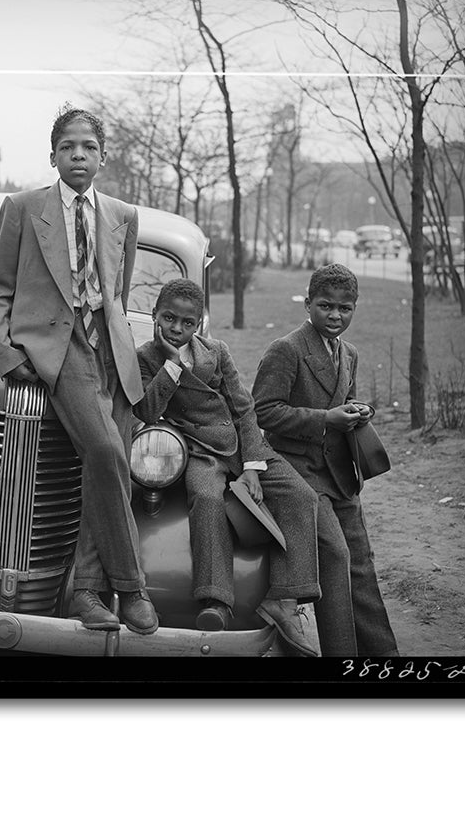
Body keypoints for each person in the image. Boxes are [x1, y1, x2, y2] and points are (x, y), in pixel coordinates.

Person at [0, 106, 157, 635]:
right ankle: (132, 588)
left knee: (105, 468)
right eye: (67, 147)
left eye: (88, 147)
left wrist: (118, 341)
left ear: (103, 156)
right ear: (53, 155)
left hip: (113, 353)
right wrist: (10, 357)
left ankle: (84, 592)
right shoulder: (23, 207)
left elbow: (117, 295)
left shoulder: (123, 214)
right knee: (105, 451)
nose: (78, 155)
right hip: (60, 346)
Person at [135, 279, 321, 654]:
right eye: (168, 318)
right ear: (155, 315)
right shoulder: (144, 358)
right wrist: (171, 366)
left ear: (199, 324)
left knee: (301, 495)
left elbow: (243, 408)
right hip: (198, 449)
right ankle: (215, 598)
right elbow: (146, 411)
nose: (176, 328)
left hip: (239, 444)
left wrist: (253, 464)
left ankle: (284, 599)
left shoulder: (216, 351)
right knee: (205, 496)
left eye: (186, 323)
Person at [252, 263, 399, 657]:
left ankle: (384, 656)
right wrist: (325, 419)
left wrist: (356, 411)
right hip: (296, 471)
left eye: (345, 309)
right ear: (307, 305)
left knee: (361, 564)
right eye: (325, 306)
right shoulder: (286, 350)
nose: (335, 316)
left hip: (338, 473)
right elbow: (263, 412)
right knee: (334, 553)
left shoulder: (348, 353)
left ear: (354, 309)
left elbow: (343, 398)